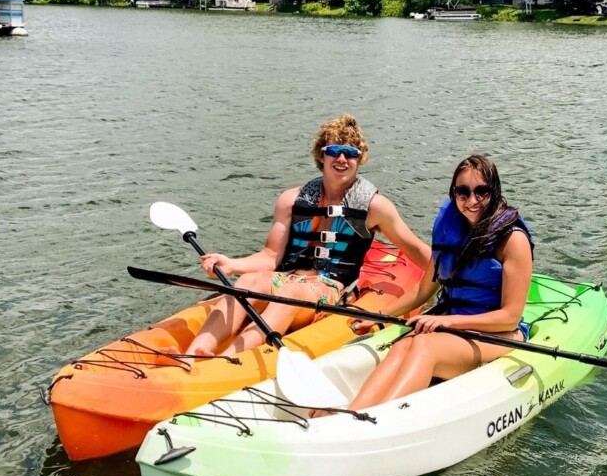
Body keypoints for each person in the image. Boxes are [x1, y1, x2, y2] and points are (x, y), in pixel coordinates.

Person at [179, 114, 430, 356]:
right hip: (286, 277)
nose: (342, 159)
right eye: (334, 151)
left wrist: (452, 277)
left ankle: (225, 360)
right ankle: (193, 353)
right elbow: (270, 255)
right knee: (248, 282)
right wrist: (232, 264)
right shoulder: (291, 200)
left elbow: (417, 251)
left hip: (329, 288)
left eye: (351, 153)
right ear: (321, 155)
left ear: (359, 158)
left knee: (289, 295)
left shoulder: (375, 207)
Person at [340, 154, 534, 412]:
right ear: (453, 194)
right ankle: (354, 411)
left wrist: (446, 321)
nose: (472, 201)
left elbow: (509, 317)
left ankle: (374, 419)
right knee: (404, 345)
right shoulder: (450, 231)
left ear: (494, 191)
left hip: (500, 334)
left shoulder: (513, 240)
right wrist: (377, 315)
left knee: (424, 345)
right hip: (456, 327)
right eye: (462, 192)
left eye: (482, 192)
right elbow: (423, 290)